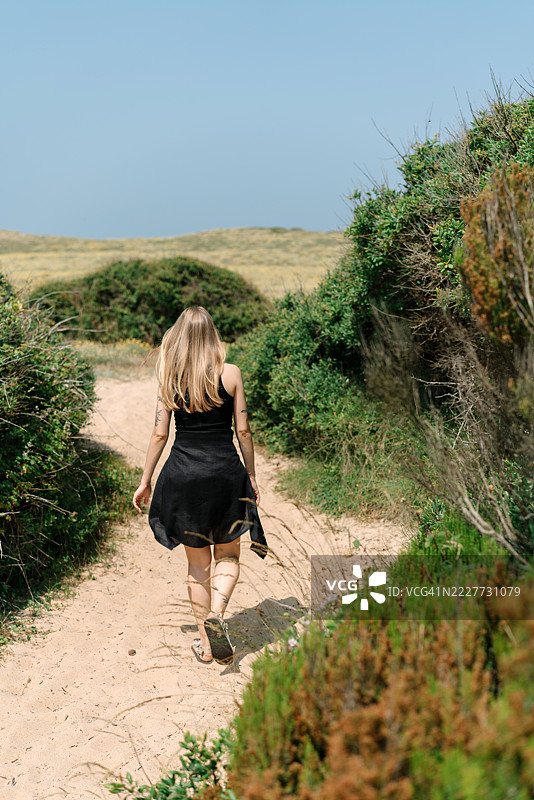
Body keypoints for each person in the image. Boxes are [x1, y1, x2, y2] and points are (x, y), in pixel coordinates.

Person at [133, 306, 267, 666]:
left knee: (197, 565)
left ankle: (206, 645)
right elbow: (243, 431)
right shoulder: (232, 374)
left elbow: (160, 433)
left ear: (178, 335)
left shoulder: (170, 377)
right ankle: (218, 614)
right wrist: (250, 476)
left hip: (183, 474)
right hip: (225, 473)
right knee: (228, 555)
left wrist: (145, 480)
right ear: (212, 335)